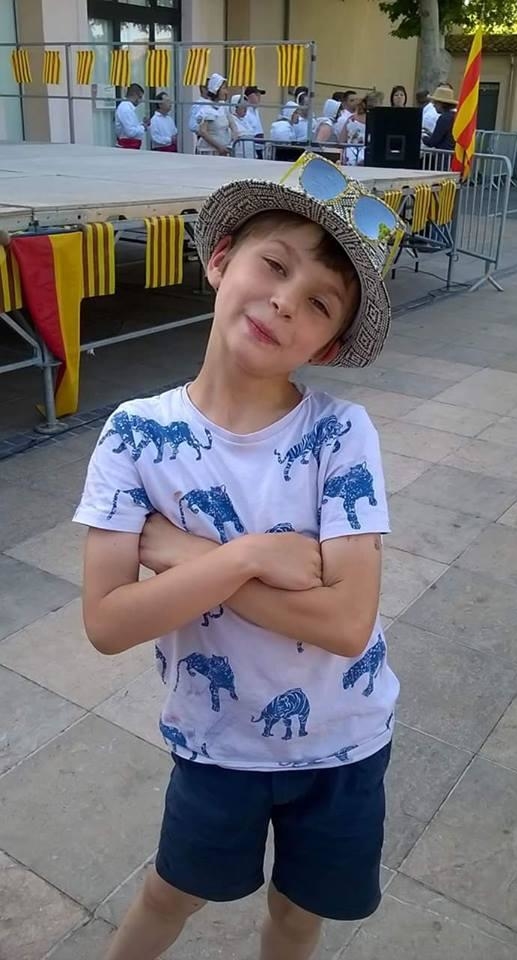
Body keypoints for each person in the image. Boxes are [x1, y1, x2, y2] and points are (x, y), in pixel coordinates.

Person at [75, 151, 399, 960]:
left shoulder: (340, 435)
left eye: (318, 302)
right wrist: (248, 555)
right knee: (170, 891)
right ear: (220, 259)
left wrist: (178, 552)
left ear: (329, 344)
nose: (285, 300)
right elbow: (107, 623)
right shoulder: (134, 434)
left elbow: (346, 623)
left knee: (297, 912)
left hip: (345, 740)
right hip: (215, 741)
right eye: (274, 265)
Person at [195, 73, 233, 156]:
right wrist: (219, 147)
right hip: (210, 151)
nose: (226, 92)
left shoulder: (223, 106)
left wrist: (233, 141)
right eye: (223, 88)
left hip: (224, 150)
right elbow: (203, 131)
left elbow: (233, 124)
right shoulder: (206, 109)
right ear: (216, 90)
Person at [423, 84, 458, 151]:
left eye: (435, 103)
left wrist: (423, 137)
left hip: (443, 155)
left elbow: (432, 142)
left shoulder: (444, 118)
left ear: (441, 104)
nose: (433, 105)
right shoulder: (454, 116)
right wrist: (430, 134)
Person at [114, 83, 148, 149]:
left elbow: (131, 127)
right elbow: (131, 132)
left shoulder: (128, 108)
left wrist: (142, 124)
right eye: (140, 97)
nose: (140, 101)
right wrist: (143, 127)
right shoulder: (126, 108)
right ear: (134, 95)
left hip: (131, 145)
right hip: (127, 146)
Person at [340, 97, 367, 165]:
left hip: (350, 153)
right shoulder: (375, 121)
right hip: (367, 154)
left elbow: (342, 140)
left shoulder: (351, 118)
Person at [229, 93, 256, 158]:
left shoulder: (246, 121)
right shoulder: (231, 120)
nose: (245, 109)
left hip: (250, 154)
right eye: (243, 107)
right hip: (238, 155)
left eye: (246, 107)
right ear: (235, 107)